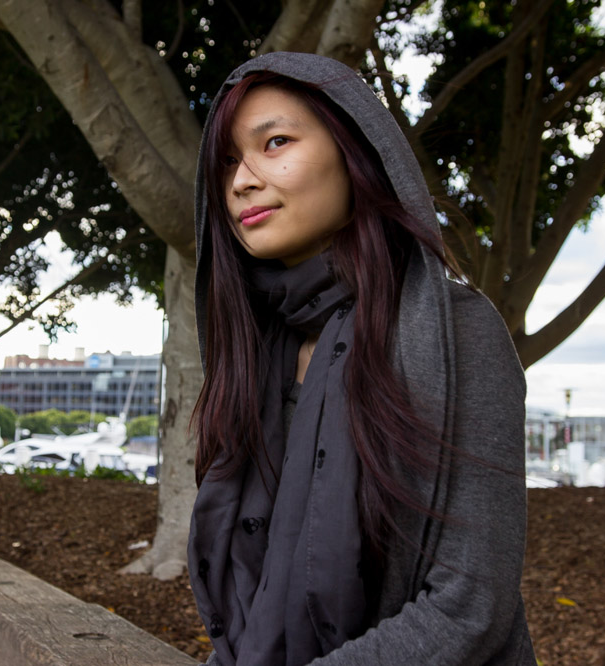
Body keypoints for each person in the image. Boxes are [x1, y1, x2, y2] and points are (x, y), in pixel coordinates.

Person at [187, 52, 534, 665]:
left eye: (275, 142)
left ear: (357, 153)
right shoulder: (261, 354)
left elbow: (468, 605)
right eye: (226, 163)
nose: (241, 180)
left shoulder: (456, 331)